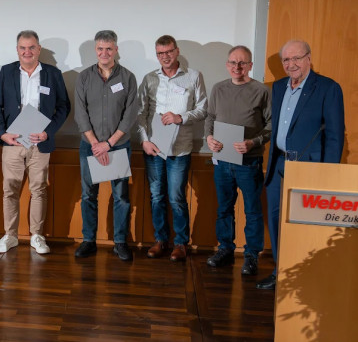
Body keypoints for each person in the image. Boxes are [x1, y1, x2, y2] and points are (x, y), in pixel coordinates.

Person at [256, 40, 344, 290]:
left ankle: (304, 276)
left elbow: (335, 136)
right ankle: (280, 271)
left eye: (296, 58)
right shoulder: (279, 87)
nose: (291, 64)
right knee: (276, 220)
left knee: (303, 224)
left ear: (308, 58)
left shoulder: (328, 88)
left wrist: (327, 175)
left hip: (309, 168)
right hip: (279, 163)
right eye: (286, 59)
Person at [0, 30, 70, 255]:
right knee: (10, 190)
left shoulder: (53, 74)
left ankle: (37, 235)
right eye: (23, 48)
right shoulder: (6, 71)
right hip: (13, 142)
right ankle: (10, 235)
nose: (27, 52)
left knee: (39, 190)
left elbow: (64, 106)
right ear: (17, 50)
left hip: (39, 142)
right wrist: (2, 133)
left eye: (32, 47)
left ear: (39, 49)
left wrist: (48, 132)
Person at [137, 35, 207, 262]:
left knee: (176, 197)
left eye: (168, 52)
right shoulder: (149, 78)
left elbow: (203, 109)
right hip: (154, 148)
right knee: (157, 196)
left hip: (180, 148)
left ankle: (180, 243)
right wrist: (144, 140)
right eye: (160, 53)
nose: (165, 57)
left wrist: (181, 117)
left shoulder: (194, 76)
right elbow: (141, 113)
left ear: (176, 51)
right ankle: (160, 240)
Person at [205, 46, 271, 275]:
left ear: (250, 65)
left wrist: (253, 142)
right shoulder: (218, 88)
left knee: (252, 210)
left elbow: (271, 125)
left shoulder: (262, 91)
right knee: (224, 209)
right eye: (233, 62)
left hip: (249, 162)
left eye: (242, 63)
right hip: (222, 160)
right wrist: (209, 138)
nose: (237, 67)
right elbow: (210, 117)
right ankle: (225, 249)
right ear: (227, 65)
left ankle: (251, 256)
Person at [73, 30, 138, 260]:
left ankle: (120, 242)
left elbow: (130, 115)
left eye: (109, 48)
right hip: (89, 146)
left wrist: (108, 143)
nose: (104, 53)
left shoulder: (128, 78)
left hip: (118, 146)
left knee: (121, 197)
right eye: (100, 48)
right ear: (95, 50)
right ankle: (89, 240)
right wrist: (95, 144)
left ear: (116, 50)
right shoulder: (84, 77)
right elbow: (80, 114)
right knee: (88, 195)